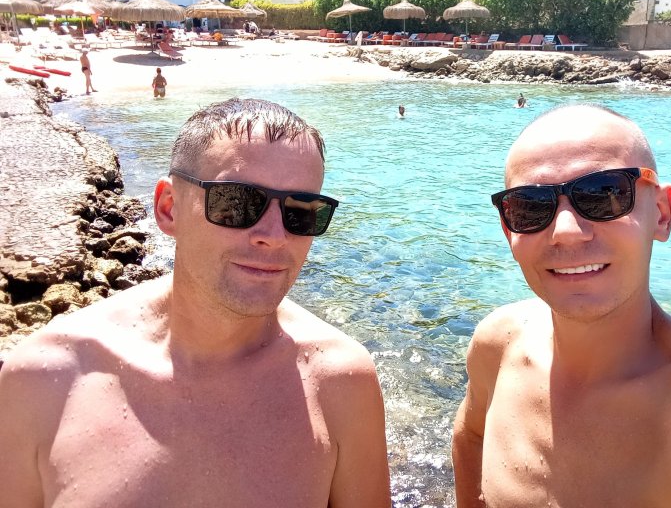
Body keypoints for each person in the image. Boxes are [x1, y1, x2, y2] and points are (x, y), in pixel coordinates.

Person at [0, 99, 392, 508]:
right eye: (237, 202)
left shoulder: (340, 382)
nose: (275, 236)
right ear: (169, 208)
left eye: (302, 211)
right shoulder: (46, 378)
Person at [452, 103, 671, 508]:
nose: (566, 232)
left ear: (662, 214)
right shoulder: (499, 343)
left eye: (604, 194)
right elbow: (470, 435)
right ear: (507, 230)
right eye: (530, 207)